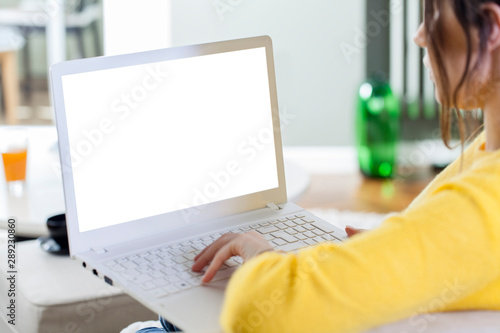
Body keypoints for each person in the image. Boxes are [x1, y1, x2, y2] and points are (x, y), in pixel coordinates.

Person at [137, 0, 500, 332]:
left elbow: (260, 313)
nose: (421, 36)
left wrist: (257, 251)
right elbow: (457, 250)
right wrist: (394, 252)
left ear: (491, 26)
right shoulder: (485, 154)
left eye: (433, 14)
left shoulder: (484, 203)